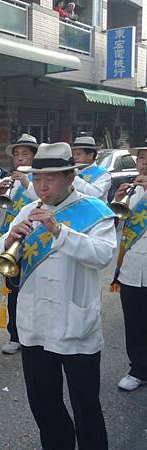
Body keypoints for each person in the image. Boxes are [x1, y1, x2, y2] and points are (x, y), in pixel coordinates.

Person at [0, 142, 116, 450]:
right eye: (36, 179)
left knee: (85, 405)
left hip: (76, 325)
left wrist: (59, 231)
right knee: (44, 404)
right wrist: (9, 236)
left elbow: (102, 255)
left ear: (70, 178)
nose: (41, 186)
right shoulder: (26, 209)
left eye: (50, 178)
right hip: (35, 325)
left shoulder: (96, 211)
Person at [0, 134, 39, 355]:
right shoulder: (10, 181)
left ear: (34, 157)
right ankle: (15, 335)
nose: (20, 159)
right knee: (13, 292)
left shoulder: (39, 180)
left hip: (36, 246)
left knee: (34, 292)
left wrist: (27, 184)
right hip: (11, 245)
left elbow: (42, 200)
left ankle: (34, 333)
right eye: (17, 155)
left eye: (25, 154)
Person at [112, 143, 147, 391]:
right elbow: (111, 225)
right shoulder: (131, 189)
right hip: (133, 268)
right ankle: (138, 369)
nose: (144, 162)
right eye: (141, 158)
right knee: (134, 322)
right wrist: (116, 200)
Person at [71, 136, 111, 202]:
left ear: (90, 155)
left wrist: (75, 178)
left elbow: (95, 194)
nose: (75, 158)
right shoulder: (74, 171)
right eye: (73, 154)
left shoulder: (103, 174)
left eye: (78, 154)